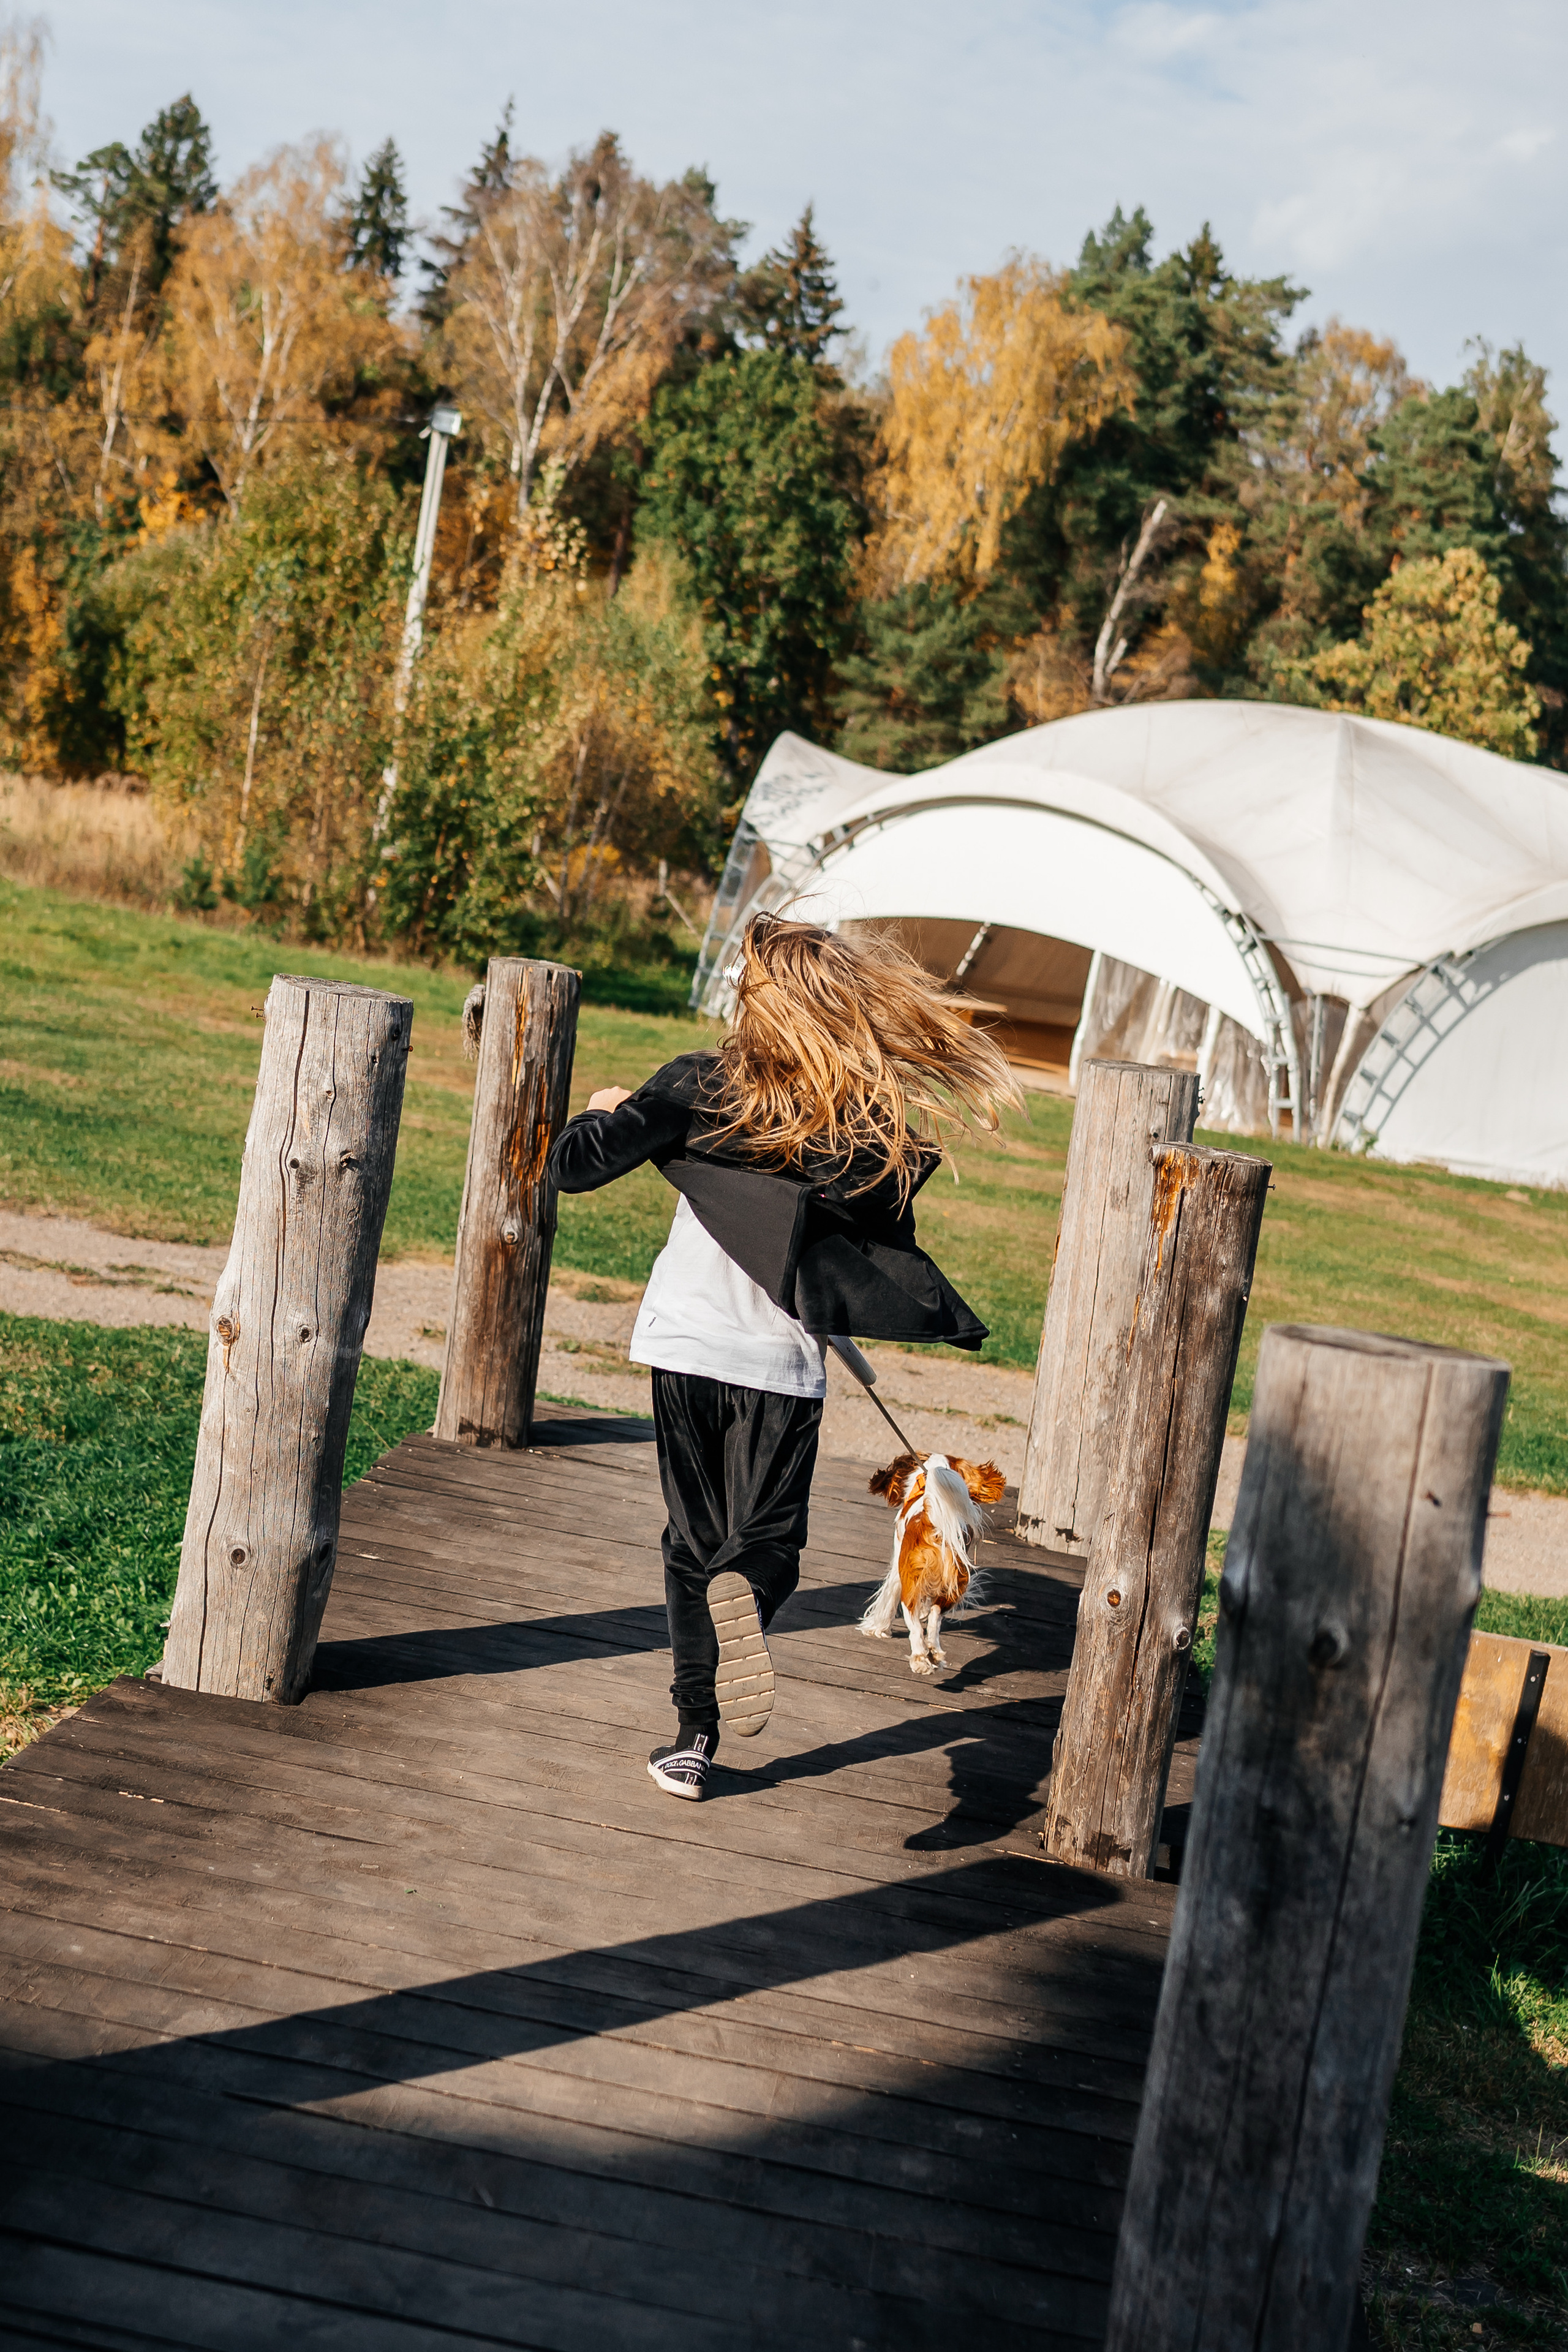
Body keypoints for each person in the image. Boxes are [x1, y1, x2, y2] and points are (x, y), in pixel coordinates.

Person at [546, 911, 1020, 1800]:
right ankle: (743, 1619)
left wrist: (610, 1110)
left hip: (686, 1345)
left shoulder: (698, 1085)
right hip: (780, 1366)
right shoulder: (855, 1121)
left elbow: (573, 1165)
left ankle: (693, 1735)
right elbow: (877, 1224)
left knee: (693, 1544)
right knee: (768, 1548)